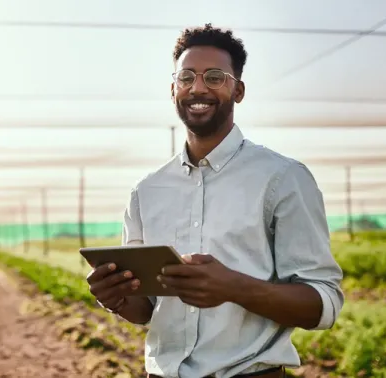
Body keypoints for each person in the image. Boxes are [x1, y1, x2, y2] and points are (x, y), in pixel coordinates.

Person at [86, 23, 344, 378]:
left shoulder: (282, 178)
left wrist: (233, 287)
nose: (198, 88)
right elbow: (147, 310)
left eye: (215, 77)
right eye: (187, 77)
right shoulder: (147, 191)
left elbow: (322, 305)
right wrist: (115, 297)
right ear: (173, 89)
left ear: (238, 90)